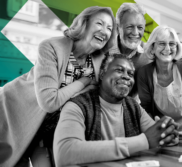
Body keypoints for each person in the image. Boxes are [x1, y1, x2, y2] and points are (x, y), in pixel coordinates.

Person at [0, 6, 116, 167]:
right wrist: (83, 82)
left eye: (109, 28)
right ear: (84, 24)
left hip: (49, 130)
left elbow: (91, 97)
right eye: (100, 24)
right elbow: (49, 101)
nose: (105, 31)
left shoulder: (99, 60)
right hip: (17, 113)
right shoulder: (51, 46)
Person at [53, 54, 179, 166]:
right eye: (119, 70)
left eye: (130, 74)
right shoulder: (77, 106)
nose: (126, 77)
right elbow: (65, 153)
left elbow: (156, 136)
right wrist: (143, 141)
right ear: (102, 74)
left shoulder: (133, 106)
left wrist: (168, 133)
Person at [106, 3, 182, 97]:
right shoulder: (103, 50)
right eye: (130, 27)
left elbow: (169, 59)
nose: (135, 33)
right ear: (117, 27)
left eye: (140, 27)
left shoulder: (149, 52)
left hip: (133, 108)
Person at [137, 25, 182, 132]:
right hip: (162, 130)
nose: (167, 49)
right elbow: (146, 108)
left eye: (172, 44)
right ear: (152, 48)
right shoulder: (144, 74)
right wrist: (155, 128)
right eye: (162, 43)